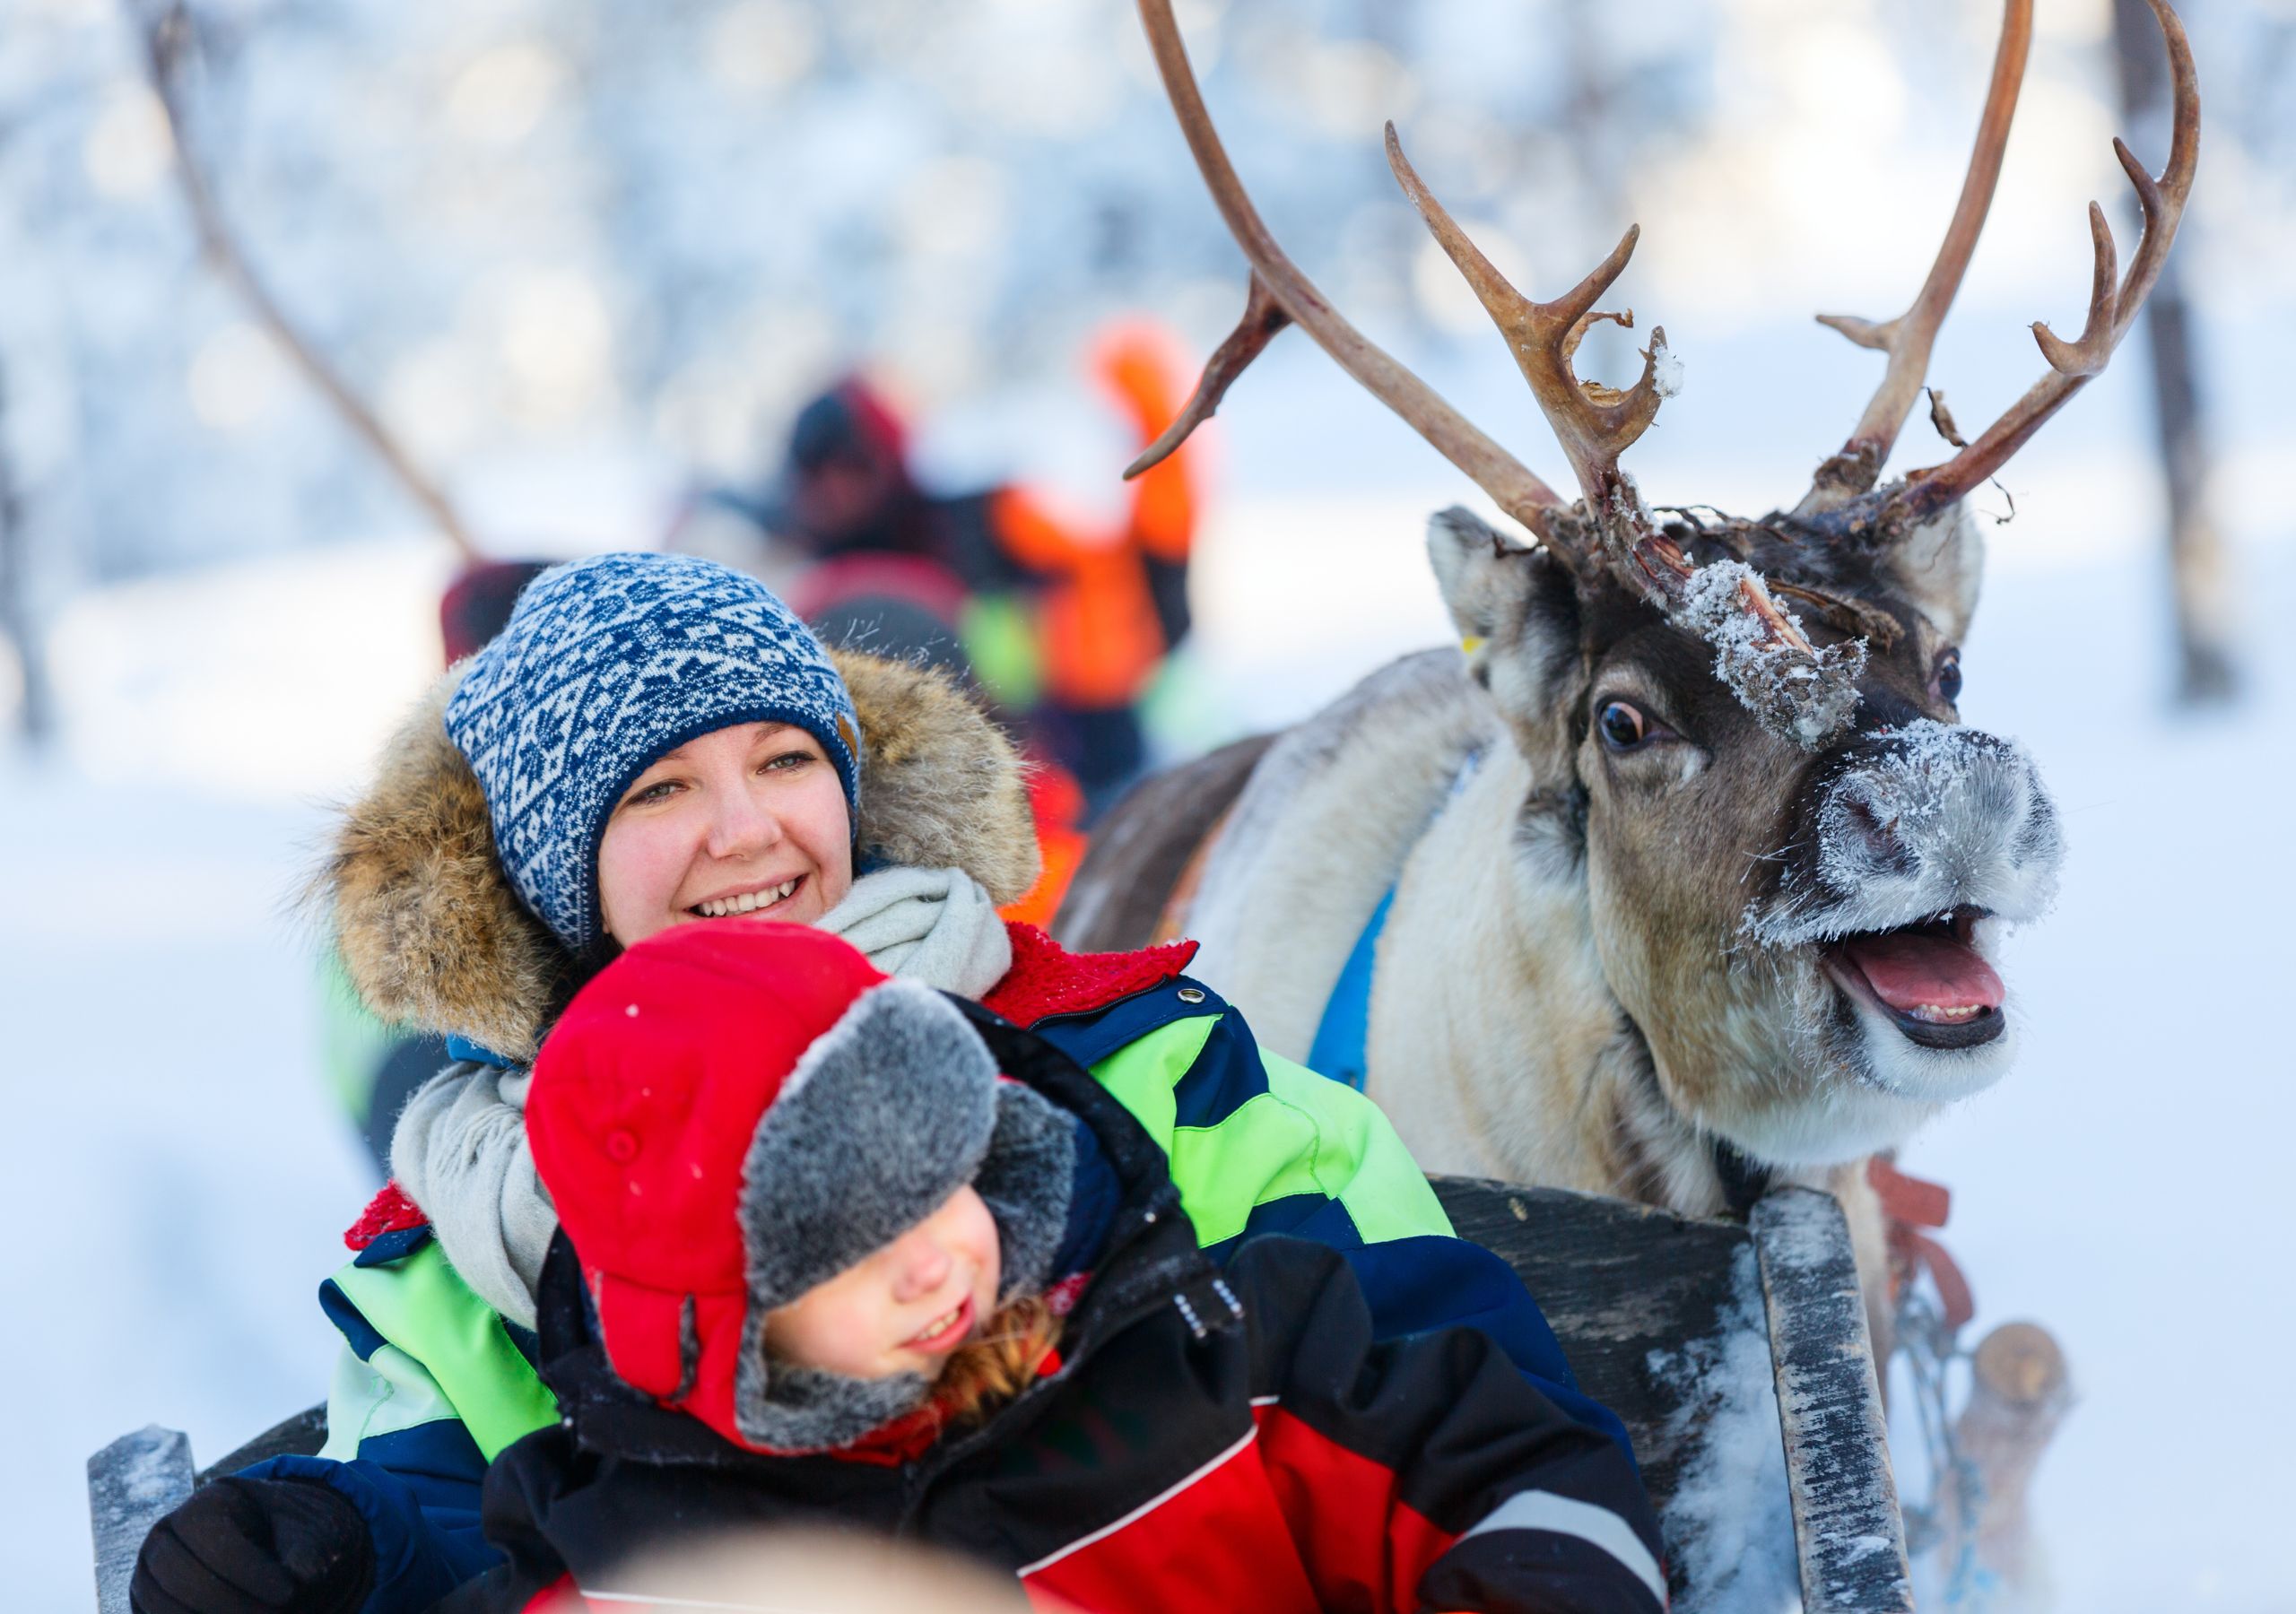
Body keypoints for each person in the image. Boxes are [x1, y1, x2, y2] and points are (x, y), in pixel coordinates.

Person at [129, 553, 1633, 1613]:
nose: (748, 833)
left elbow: (1410, 1368)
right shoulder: (461, 1249)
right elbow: (471, 1525)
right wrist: (342, 1542)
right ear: (547, 875)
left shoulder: (1137, 1065)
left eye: (786, 761)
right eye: (658, 793)